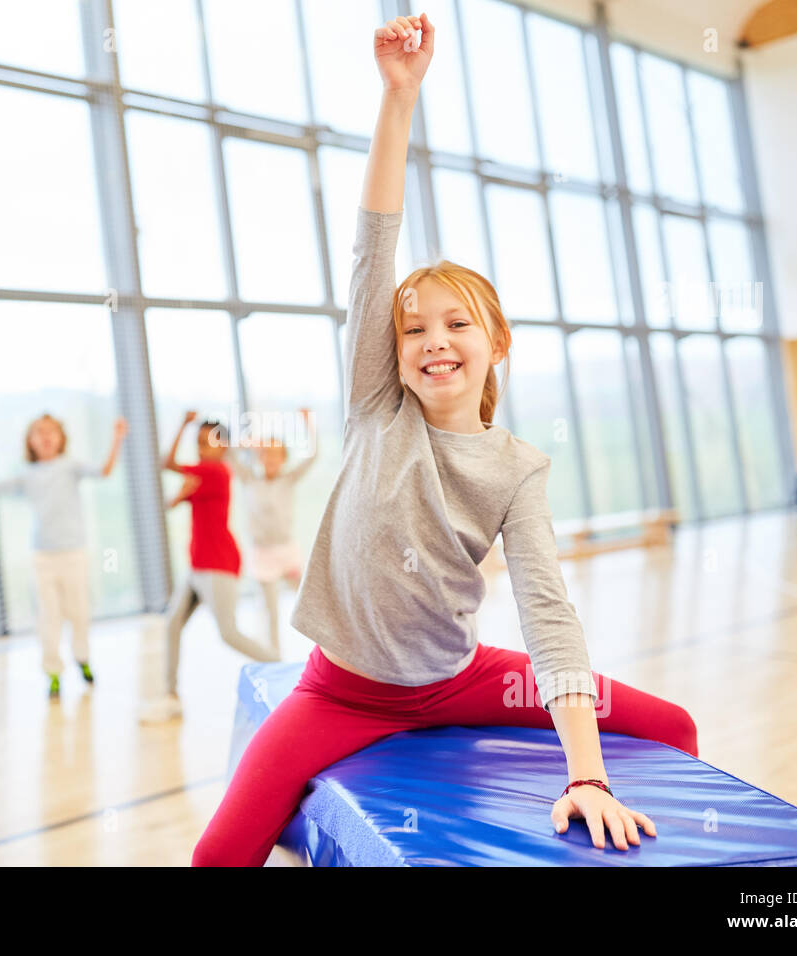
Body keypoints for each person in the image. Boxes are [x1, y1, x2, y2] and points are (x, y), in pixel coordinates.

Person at [191, 12, 697, 866]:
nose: (432, 338)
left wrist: (588, 776)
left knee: (672, 725)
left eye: (457, 322)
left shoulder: (516, 469)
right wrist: (399, 99)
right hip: (339, 690)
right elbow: (371, 250)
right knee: (216, 856)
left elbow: (549, 617)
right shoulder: (375, 408)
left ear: (496, 342)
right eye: (414, 327)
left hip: (463, 680)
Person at [0, 413, 126, 698]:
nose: (45, 437)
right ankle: (53, 673)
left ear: (61, 438)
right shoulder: (26, 473)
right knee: (48, 617)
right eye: (39, 432)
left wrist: (117, 438)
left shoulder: (70, 466)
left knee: (79, 612)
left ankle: (83, 659)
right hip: (43, 557)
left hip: (74, 553)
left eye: (51, 431)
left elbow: (104, 471)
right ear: (30, 441)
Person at [141, 411, 281, 723]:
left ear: (224, 447)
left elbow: (166, 463)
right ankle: (170, 695)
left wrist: (180, 422)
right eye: (199, 442)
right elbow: (171, 502)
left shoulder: (216, 472)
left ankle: (283, 667)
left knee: (229, 634)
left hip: (217, 564)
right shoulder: (201, 476)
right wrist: (181, 494)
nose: (203, 448)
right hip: (196, 566)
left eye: (210, 442)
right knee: (173, 623)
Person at [226, 408, 320, 654]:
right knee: (270, 614)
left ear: (284, 458)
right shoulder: (249, 479)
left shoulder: (289, 478)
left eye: (276, 454)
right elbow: (228, 453)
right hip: (261, 554)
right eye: (266, 453)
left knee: (308, 603)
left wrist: (307, 422)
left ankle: (325, 654)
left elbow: (313, 454)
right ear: (258, 456)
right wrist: (249, 444)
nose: (270, 459)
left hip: (286, 551)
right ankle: (273, 659)